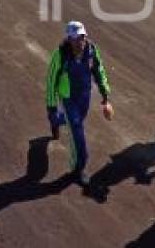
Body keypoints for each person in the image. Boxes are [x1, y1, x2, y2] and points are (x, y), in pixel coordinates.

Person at [45, 21, 113, 187]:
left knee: (75, 122)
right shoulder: (60, 55)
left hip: (84, 96)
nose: (79, 42)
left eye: (81, 37)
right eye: (74, 39)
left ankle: (56, 121)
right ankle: (78, 168)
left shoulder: (91, 51)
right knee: (77, 132)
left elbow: (99, 71)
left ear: (85, 36)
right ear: (68, 39)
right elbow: (51, 81)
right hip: (68, 99)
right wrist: (51, 106)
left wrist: (105, 94)